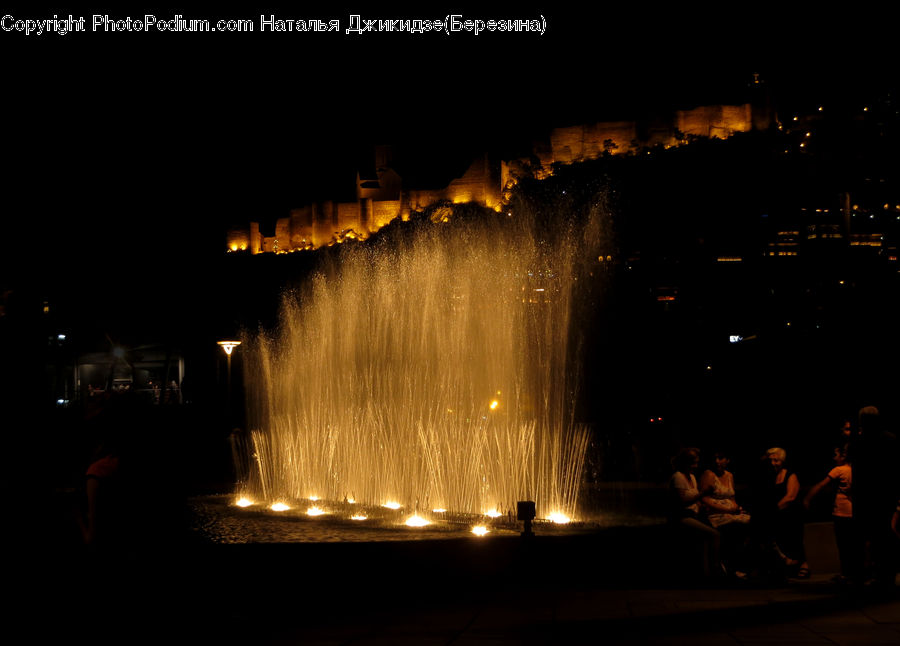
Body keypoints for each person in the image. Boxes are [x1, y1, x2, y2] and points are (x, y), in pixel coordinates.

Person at [803, 444, 861, 583]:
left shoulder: (839, 470)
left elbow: (821, 485)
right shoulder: (855, 469)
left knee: (843, 544)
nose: (834, 458)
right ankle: (855, 572)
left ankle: (847, 573)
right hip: (854, 512)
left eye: (836, 455)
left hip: (841, 512)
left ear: (843, 456)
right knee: (854, 544)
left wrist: (807, 499)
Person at [752, 447, 809, 579]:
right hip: (776, 512)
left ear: (782, 461)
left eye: (776, 460)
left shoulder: (790, 475)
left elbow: (790, 497)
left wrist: (773, 511)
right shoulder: (769, 476)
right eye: (771, 460)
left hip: (790, 511)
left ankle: (802, 563)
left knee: (788, 526)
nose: (773, 463)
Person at [668, 447, 721, 577]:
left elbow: (695, 498)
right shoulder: (678, 477)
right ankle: (716, 569)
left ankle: (705, 572)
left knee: (712, 530)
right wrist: (703, 492)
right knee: (714, 534)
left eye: (697, 462)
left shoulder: (691, 477)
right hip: (682, 517)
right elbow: (683, 501)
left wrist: (702, 505)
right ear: (685, 463)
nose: (696, 466)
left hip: (694, 515)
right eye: (693, 463)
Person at [700, 449, 751, 577]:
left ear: (727, 460)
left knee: (754, 523)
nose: (717, 461)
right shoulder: (709, 474)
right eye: (715, 458)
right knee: (737, 528)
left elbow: (732, 497)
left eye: (721, 458)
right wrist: (727, 510)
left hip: (730, 512)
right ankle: (731, 566)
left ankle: (748, 564)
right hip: (716, 514)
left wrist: (737, 508)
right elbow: (704, 499)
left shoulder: (729, 475)